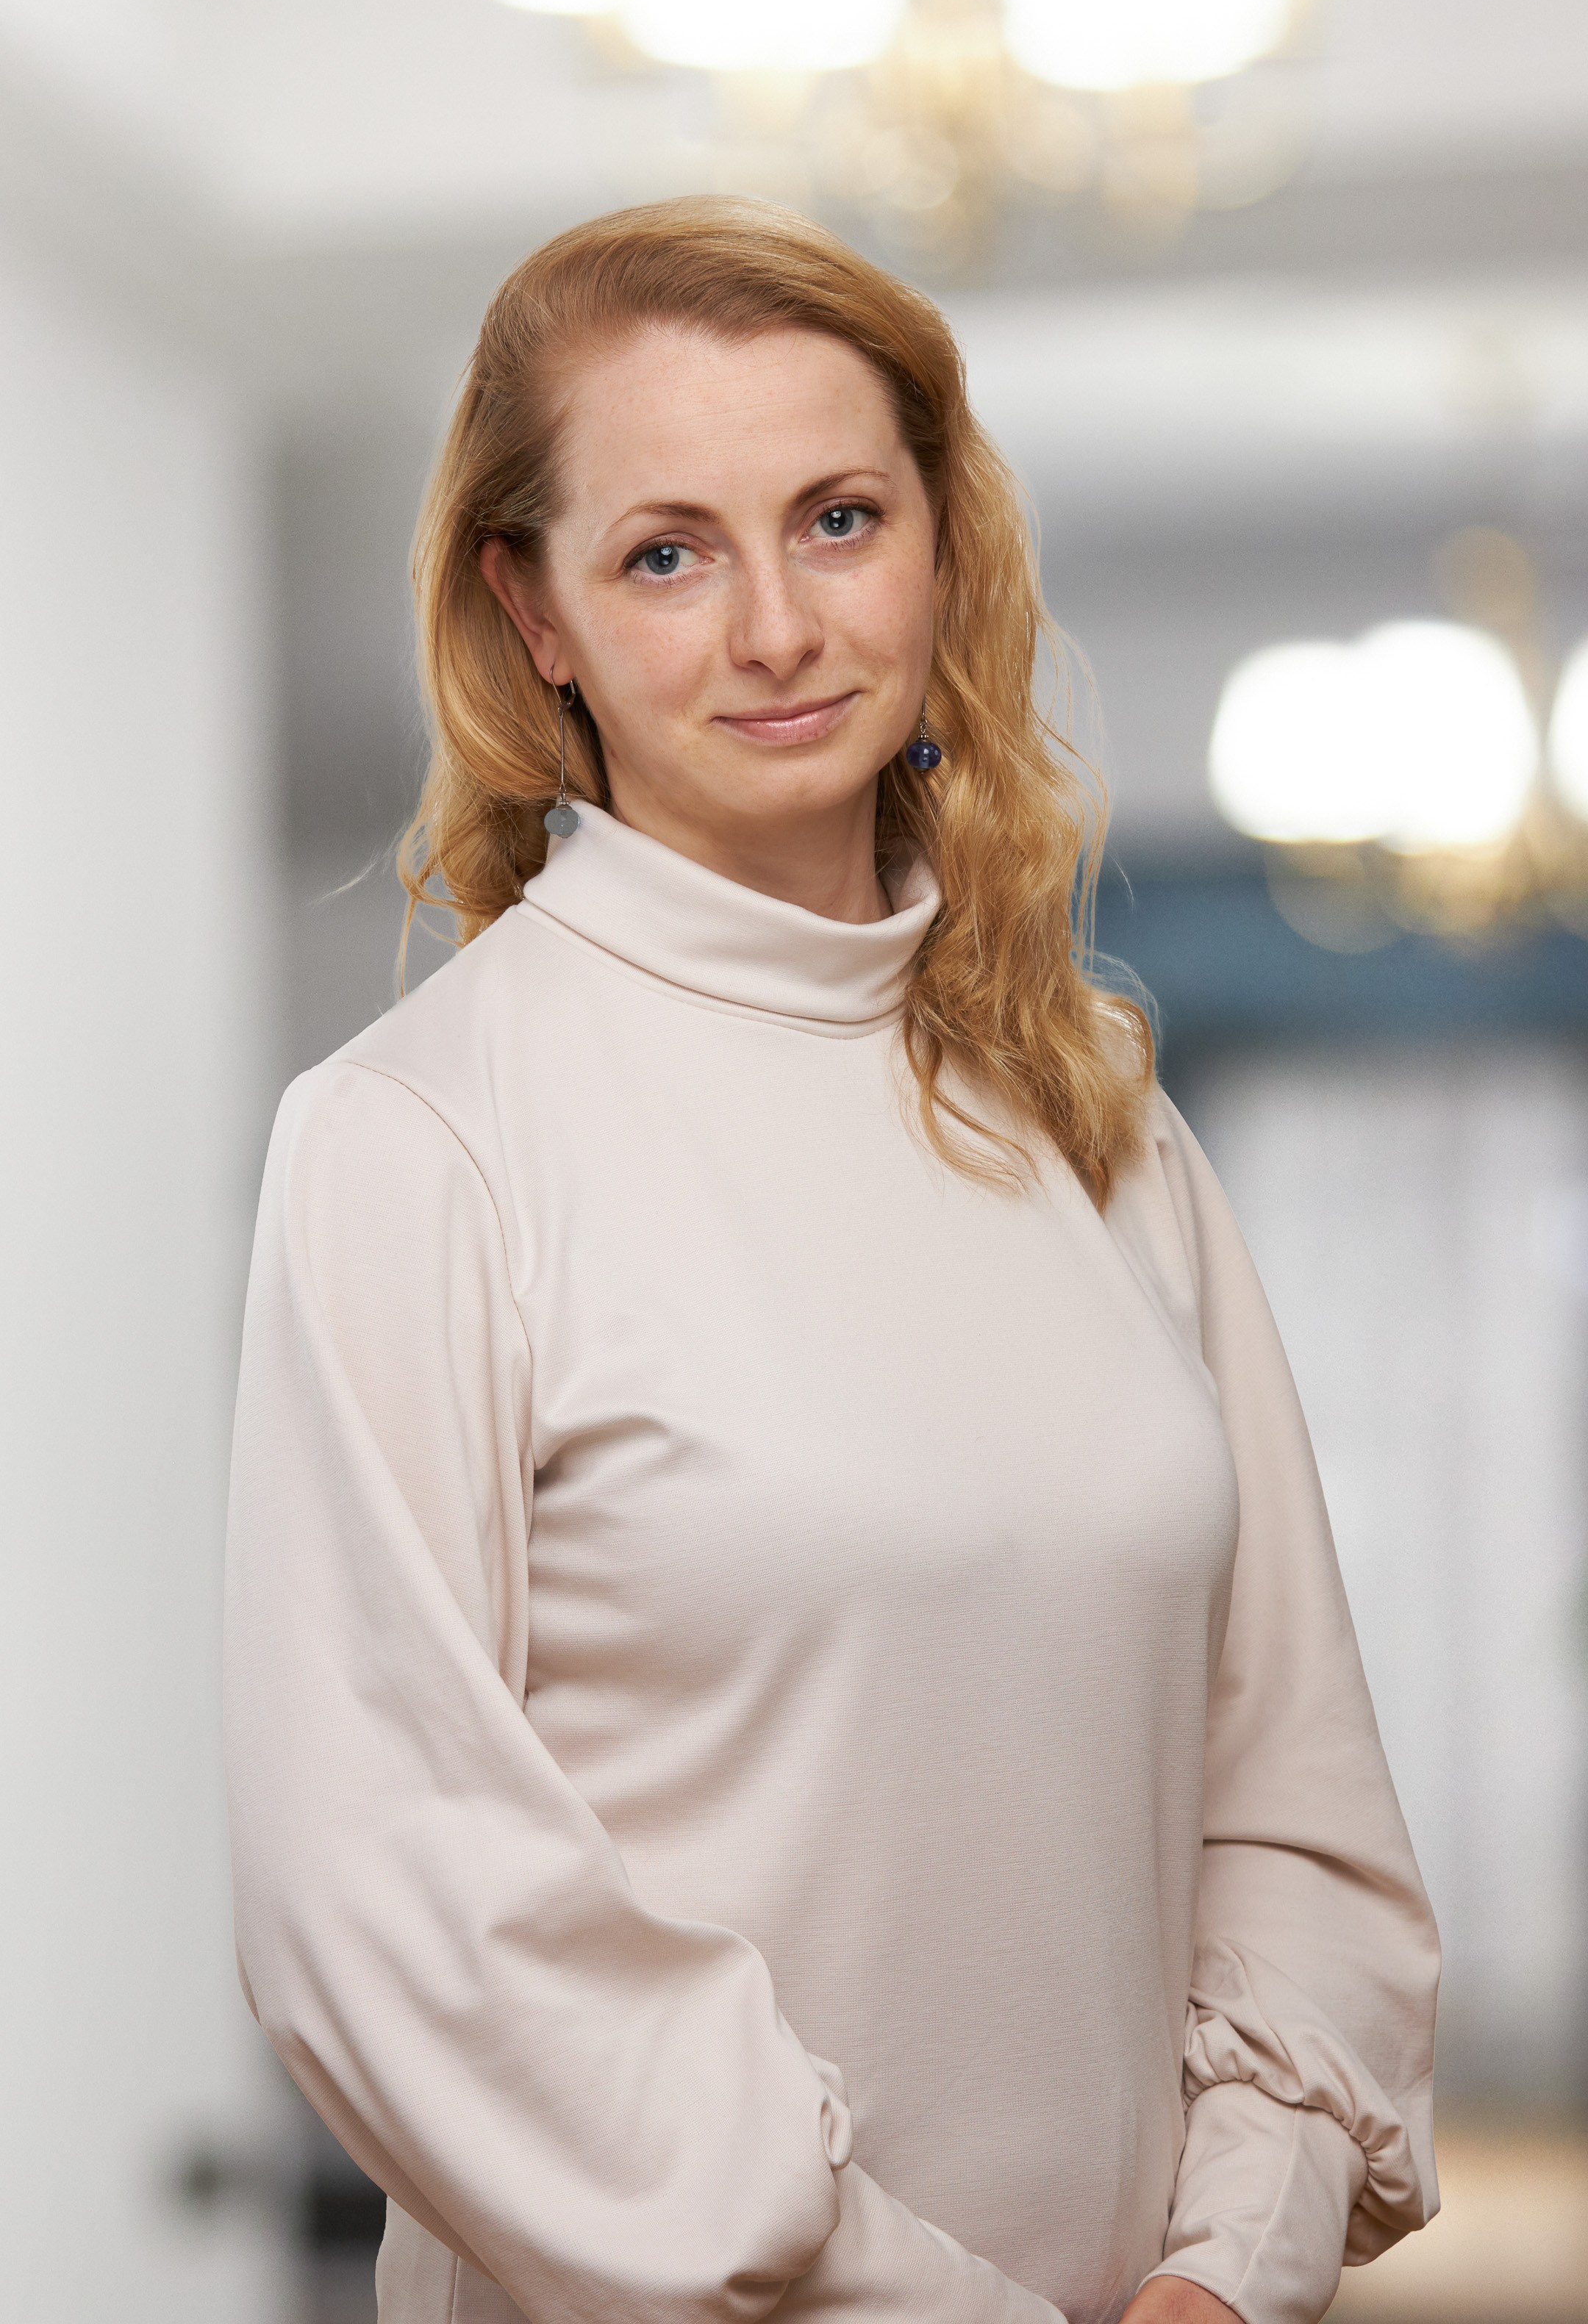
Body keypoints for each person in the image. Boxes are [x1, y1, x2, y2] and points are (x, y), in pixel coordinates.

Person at [223, 198, 1439, 2324]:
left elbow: (1300, 1817)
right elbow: (406, 1916)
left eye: (841, 517)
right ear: (539, 617)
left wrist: (1220, 2281)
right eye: (668, 551)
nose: (778, 625)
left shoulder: (1101, 1119)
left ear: (943, 543)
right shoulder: (419, 1139)